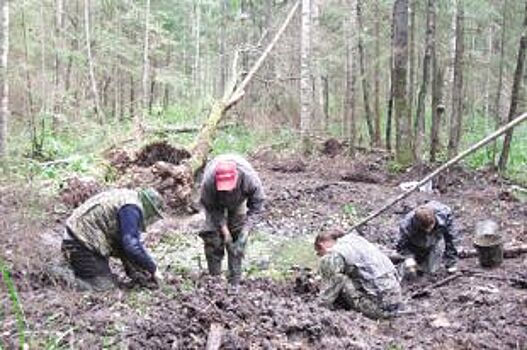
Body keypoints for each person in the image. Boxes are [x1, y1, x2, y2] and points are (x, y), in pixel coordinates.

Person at [60, 187, 165, 291]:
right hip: (79, 242)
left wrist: (141, 270)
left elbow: (123, 240)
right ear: (149, 208)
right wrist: (153, 269)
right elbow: (131, 245)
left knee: (131, 260)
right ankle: (60, 275)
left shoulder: (128, 199)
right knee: (103, 286)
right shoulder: (131, 209)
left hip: (84, 236)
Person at [199, 154, 265, 286]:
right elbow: (211, 207)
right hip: (215, 202)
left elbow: (257, 207)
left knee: (237, 235)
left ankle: (234, 280)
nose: (227, 191)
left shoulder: (249, 179)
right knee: (213, 237)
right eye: (224, 188)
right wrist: (224, 230)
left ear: (237, 178)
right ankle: (215, 281)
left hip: (239, 200)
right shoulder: (209, 182)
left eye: (229, 187)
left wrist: (245, 232)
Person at [315, 229, 403, 319]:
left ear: (322, 245)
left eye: (319, 253)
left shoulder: (333, 254)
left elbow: (329, 290)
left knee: (341, 279)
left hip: (380, 308)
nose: (320, 256)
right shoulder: (357, 241)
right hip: (396, 302)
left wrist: (319, 307)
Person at [396, 200, 458, 278]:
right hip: (414, 244)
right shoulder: (406, 225)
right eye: (425, 228)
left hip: (434, 240)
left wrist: (451, 262)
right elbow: (401, 245)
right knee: (406, 272)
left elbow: (451, 239)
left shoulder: (445, 214)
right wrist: (408, 257)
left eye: (430, 226)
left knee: (430, 271)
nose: (428, 230)